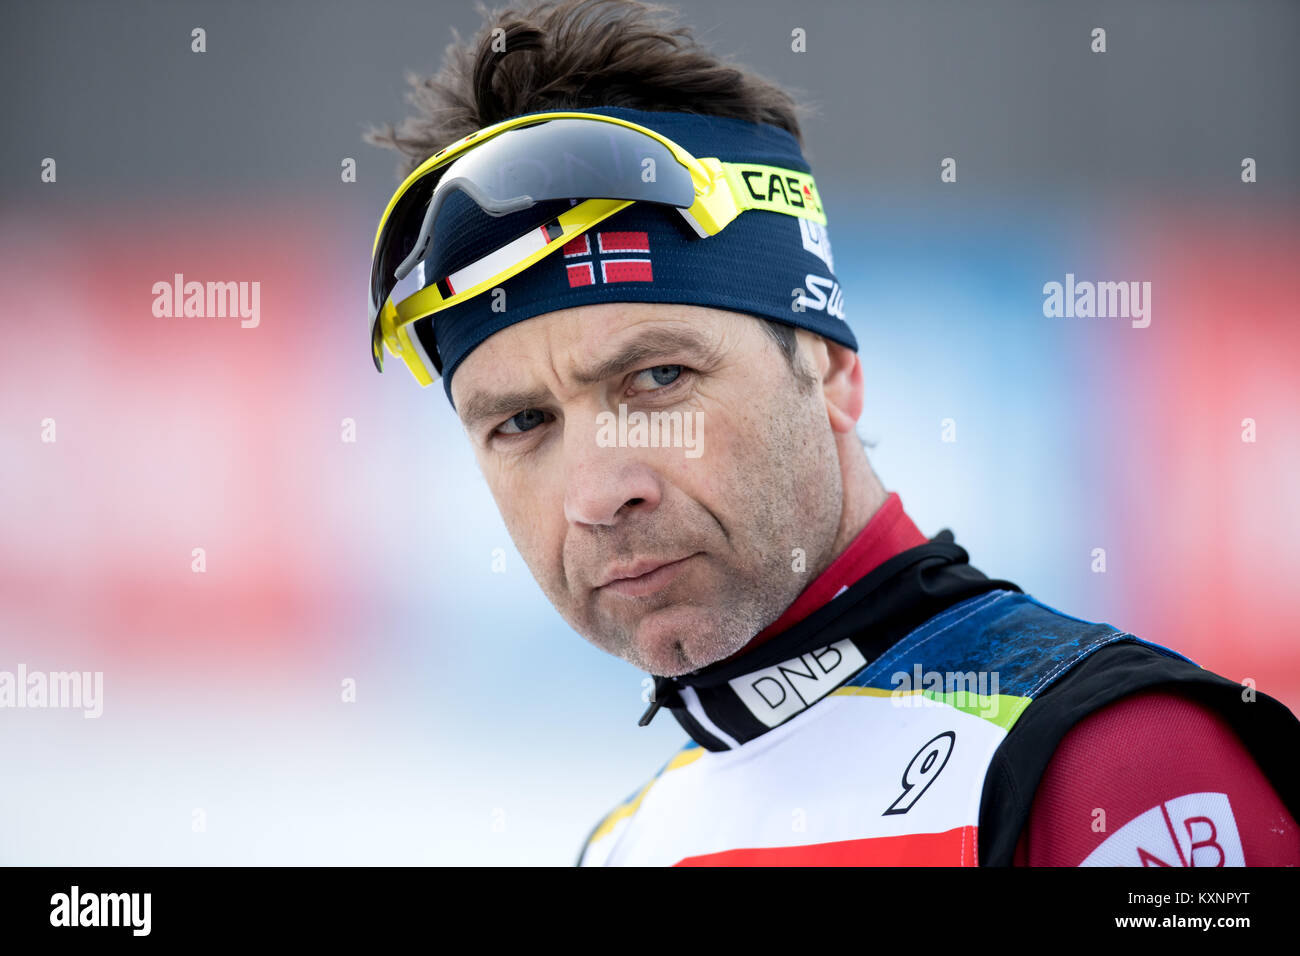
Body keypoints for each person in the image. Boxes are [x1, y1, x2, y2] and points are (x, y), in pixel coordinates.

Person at [364, 0, 1300, 866]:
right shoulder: (622, 847)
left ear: (831, 370)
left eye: (657, 377)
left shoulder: (1118, 766)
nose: (597, 492)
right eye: (522, 422)